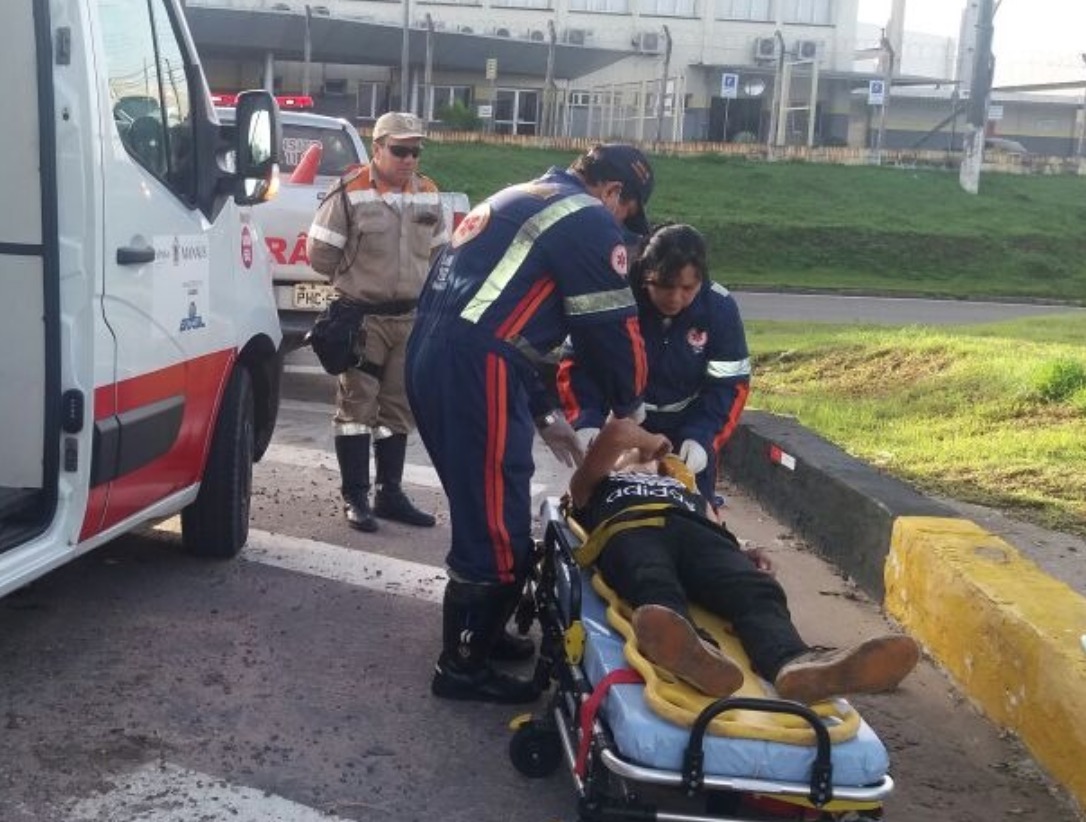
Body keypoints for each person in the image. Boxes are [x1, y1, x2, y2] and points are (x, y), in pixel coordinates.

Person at [406, 144, 656, 704]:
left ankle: (485, 637)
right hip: (477, 368)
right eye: (626, 214)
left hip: (439, 354)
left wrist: (544, 412)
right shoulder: (588, 218)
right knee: (495, 520)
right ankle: (462, 666)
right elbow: (613, 330)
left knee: (486, 501)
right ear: (614, 193)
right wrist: (631, 411)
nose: (623, 229)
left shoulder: (520, 197)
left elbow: (502, 315)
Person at [567, 417, 920, 704]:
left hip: (699, 535)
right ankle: (693, 649)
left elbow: (715, 526)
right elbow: (616, 433)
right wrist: (650, 441)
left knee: (756, 589)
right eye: (633, 454)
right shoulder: (596, 483)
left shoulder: (683, 486)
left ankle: (794, 664)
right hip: (632, 528)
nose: (643, 459)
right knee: (651, 578)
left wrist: (743, 552)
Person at [307, 112, 447, 533]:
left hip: (409, 319)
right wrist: (353, 284)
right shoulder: (348, 193)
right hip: (363, 320)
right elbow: (320, 256)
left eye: (415, 151)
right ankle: (356, 497)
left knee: (397, 411)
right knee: (355, 408)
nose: (409, 159)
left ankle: (391, 494)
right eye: (400, 150)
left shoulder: (427, 193)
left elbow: (439, 254)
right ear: (378, 149)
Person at [558, 223, 750, 503]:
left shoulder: (719, 310)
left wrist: (702, 437)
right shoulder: (616, 300)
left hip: (686, 426)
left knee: (695, 509)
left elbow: (730, 385)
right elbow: (578, 365)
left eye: (687, 288)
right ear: (647, 276)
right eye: (664, 286)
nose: (675, 298)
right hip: (620, 425)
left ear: (701, 280)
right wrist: (587, 418)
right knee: (601, 504)